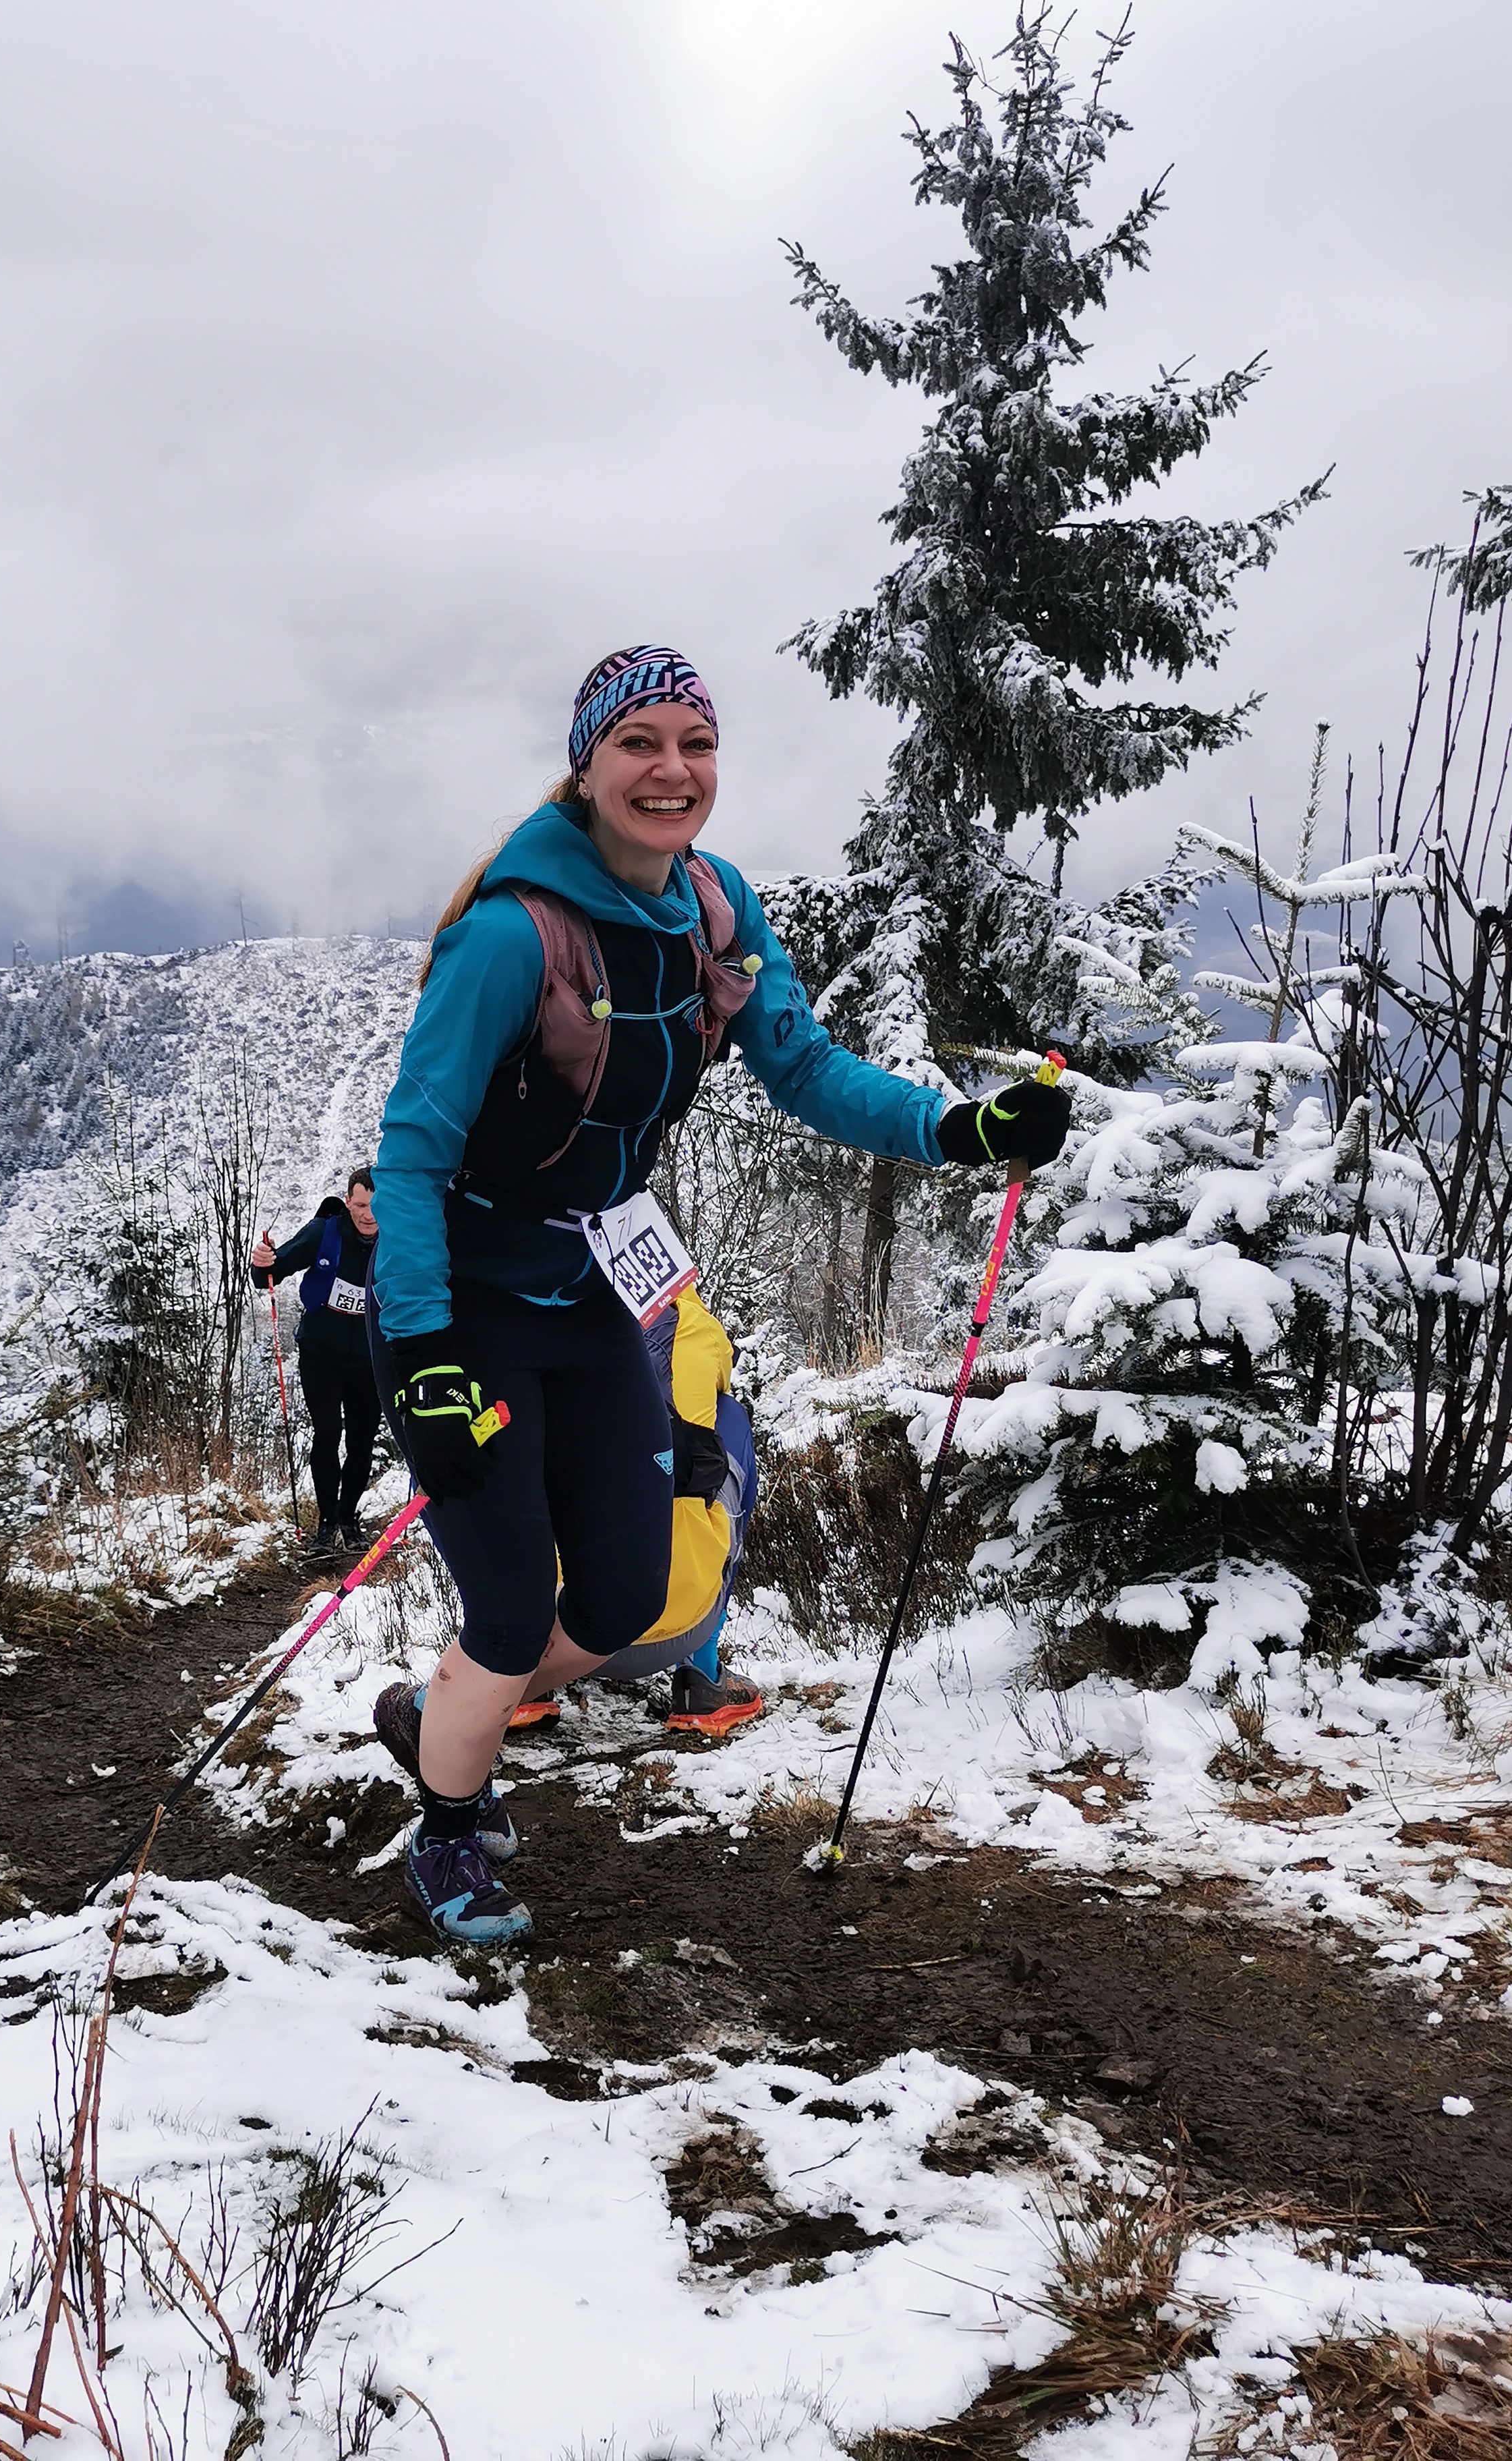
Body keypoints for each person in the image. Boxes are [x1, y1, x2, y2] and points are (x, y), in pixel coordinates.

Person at [366, 646, 1070, 1945]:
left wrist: (962, 1129)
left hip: (587, 1288)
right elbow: (410, 1152)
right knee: (516, 1607)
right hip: (461, 1308)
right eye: (640, 742)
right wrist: (420, 1350)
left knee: (632, 1596)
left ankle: (446, 1706)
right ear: (586, 761)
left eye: (695, 743)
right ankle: (451, 1829)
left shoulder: (713, 910)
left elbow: (802, 1069)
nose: (671, 769)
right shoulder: (512, 934)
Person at [506, 1281, 763, 1735]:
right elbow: (719, 1366)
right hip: (678, 1625)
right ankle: (701, 1679)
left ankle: (517, 1675)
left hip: (561, 1633)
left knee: (515, 1454)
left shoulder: (541, 1320)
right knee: (730, 1423)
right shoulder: (692, 1323)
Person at [250, 1168, 380, 1554]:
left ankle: (348, 1518)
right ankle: (326, 1524)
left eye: (375, 1206)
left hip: (371, 1359)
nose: (368, 1214)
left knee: (361, 1442)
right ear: (347, 1203)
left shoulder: (396, 1238)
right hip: (321, 1353)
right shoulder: (325, 1232)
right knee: (327, 1434)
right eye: (360, 1205)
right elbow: (270, 1274)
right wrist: (263, 1262)